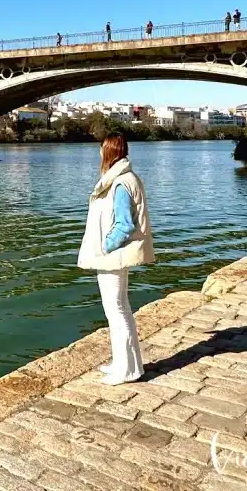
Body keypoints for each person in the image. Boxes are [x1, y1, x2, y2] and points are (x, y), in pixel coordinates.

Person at [77, 133, 154, 385]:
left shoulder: (120, 183)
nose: (99, 153)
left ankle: (128, 370)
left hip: (112, 257)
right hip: (114, 257)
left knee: (117, 310)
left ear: (108, 151)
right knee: (119, 308)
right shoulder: (124, 178)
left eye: (101, 149)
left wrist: (104, 246)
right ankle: (125, 363)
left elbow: (124, 225)